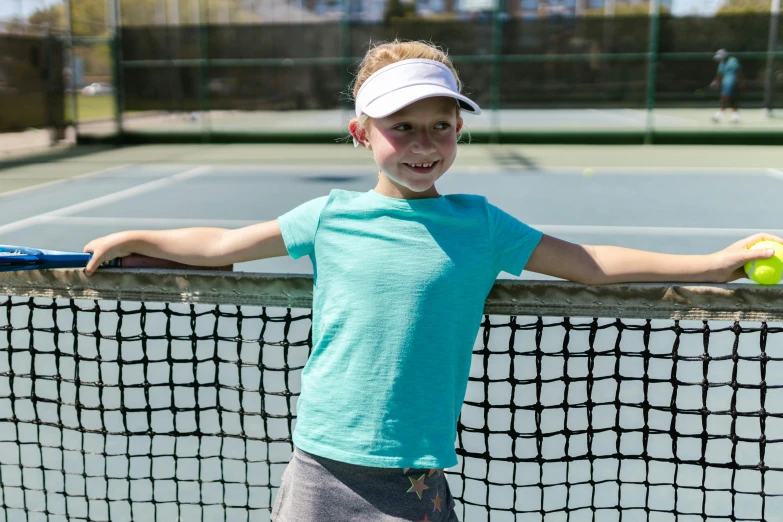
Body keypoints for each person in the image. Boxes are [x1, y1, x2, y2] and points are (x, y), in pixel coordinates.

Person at [83, 40, 780, 522]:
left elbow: (586, 263)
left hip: (414, 473)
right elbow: (222, 245)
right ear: (361, 134)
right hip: (321, 464)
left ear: (457, 130)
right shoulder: (326, 216)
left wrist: (711, 263)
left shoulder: (479, 224)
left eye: (440, 127)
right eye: (401, 127)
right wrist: (138, 237)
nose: (423, 144)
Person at [710, 49, 744, 123]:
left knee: (725, 98)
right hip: (726, 83)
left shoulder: (733, 60)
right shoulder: (721, 63)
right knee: (730, 99)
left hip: (733, 83)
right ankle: (735, 116)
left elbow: (739, 71)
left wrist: (741, 82)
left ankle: (719, 115)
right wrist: (715, 81)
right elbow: (719, 74)